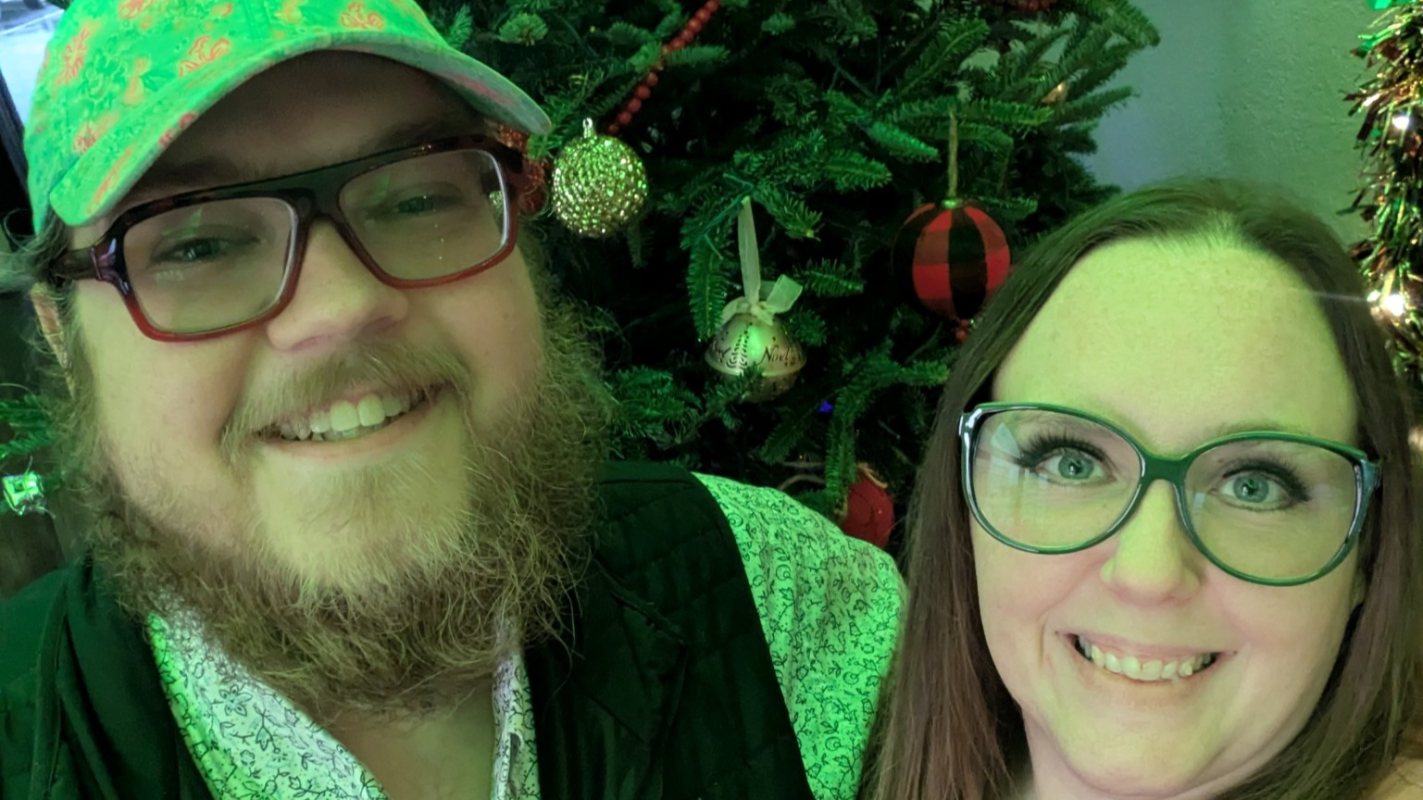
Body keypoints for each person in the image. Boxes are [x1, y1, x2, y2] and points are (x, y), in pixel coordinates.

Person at [0, 0, 904, 797]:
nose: (342, 308)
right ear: (60, 338)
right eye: (196, 245)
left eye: (419, 197)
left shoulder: (785, 597)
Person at [860, 179, 1423, 800]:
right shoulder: (839, 744)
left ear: (1368, 550)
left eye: (1254, 487)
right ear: (966, 497)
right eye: (1071, 463)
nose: (1147, 574)